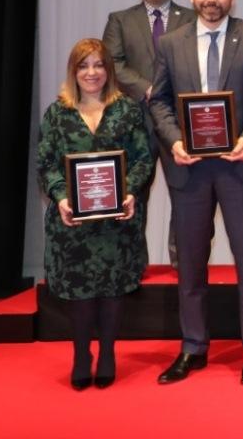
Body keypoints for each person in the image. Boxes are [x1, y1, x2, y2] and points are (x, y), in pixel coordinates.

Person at [149, 0, 243, 385]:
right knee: (190, 261)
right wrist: (173, 141)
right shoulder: (171, 43)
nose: (212, 0)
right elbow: (159, 100)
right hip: (189, 169)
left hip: (239, 166)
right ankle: (193, 346)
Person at [36, 38, 153, 390]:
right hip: (73, 222)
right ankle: (81, 354)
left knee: (113, 288)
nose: (92, 72)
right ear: (73, 71)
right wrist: (59, 196)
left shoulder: (127, 109)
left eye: (99, 65)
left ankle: (107, 353)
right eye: (84, 65)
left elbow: (143, 159)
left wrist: (130, 192)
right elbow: (45, 164)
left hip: (117, 221)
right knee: (82, 292)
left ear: (109, 70)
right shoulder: (58, 113)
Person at [101, 0, 193, 266]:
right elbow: (112, 63)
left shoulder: (192, 18)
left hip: (180, 123)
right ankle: (132, 263)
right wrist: (148, 88)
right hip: (135, 121)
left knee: (186, 195)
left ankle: (184, 263)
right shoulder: (120, 19)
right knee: (133, 194)